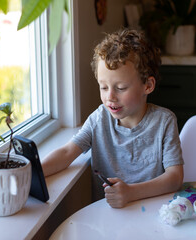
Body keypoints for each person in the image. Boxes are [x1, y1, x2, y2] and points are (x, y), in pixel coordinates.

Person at [42, 28, 184, 208]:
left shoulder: (164, 122)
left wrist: (131, 192)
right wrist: (32, 172)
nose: (110, 97)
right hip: (108, 218)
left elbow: (175, 178)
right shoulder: (99, 119)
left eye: (121, 88)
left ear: (147, 86)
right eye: (103, 87)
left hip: (154, 214)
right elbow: (67, 153)